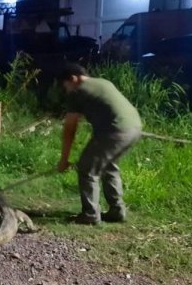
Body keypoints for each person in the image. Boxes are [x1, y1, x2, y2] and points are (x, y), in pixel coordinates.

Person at [56, 63, 142, 225]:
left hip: (115, 131)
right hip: (134, 128)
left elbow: (70, 128)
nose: (66, 90)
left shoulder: (78, 91)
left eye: (65, 85)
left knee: (87, 169)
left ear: (73, 79)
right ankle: (117, 211)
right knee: (109, 166)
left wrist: (63, 160)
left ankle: (90, 215)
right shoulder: (103, 82)